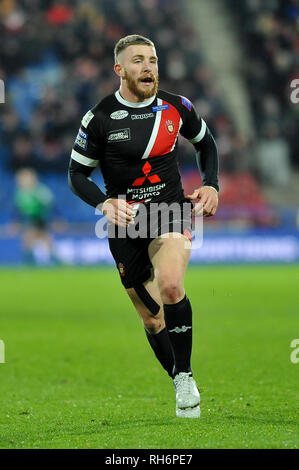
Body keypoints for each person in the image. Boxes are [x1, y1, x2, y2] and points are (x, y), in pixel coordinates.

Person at [68, 34, 219, 418]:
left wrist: (211, 184)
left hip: (170, 210)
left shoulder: (176, 106)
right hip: (125, 222)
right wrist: (103, 203)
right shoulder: (99, 118)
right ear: (119, 69)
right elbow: (77, 174)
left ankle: (185, 376)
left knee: (171, 286)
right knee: (152, 320)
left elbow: (206, 144)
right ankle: (177, 377)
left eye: (152, 59)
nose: (148, 66)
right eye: (138, 60)